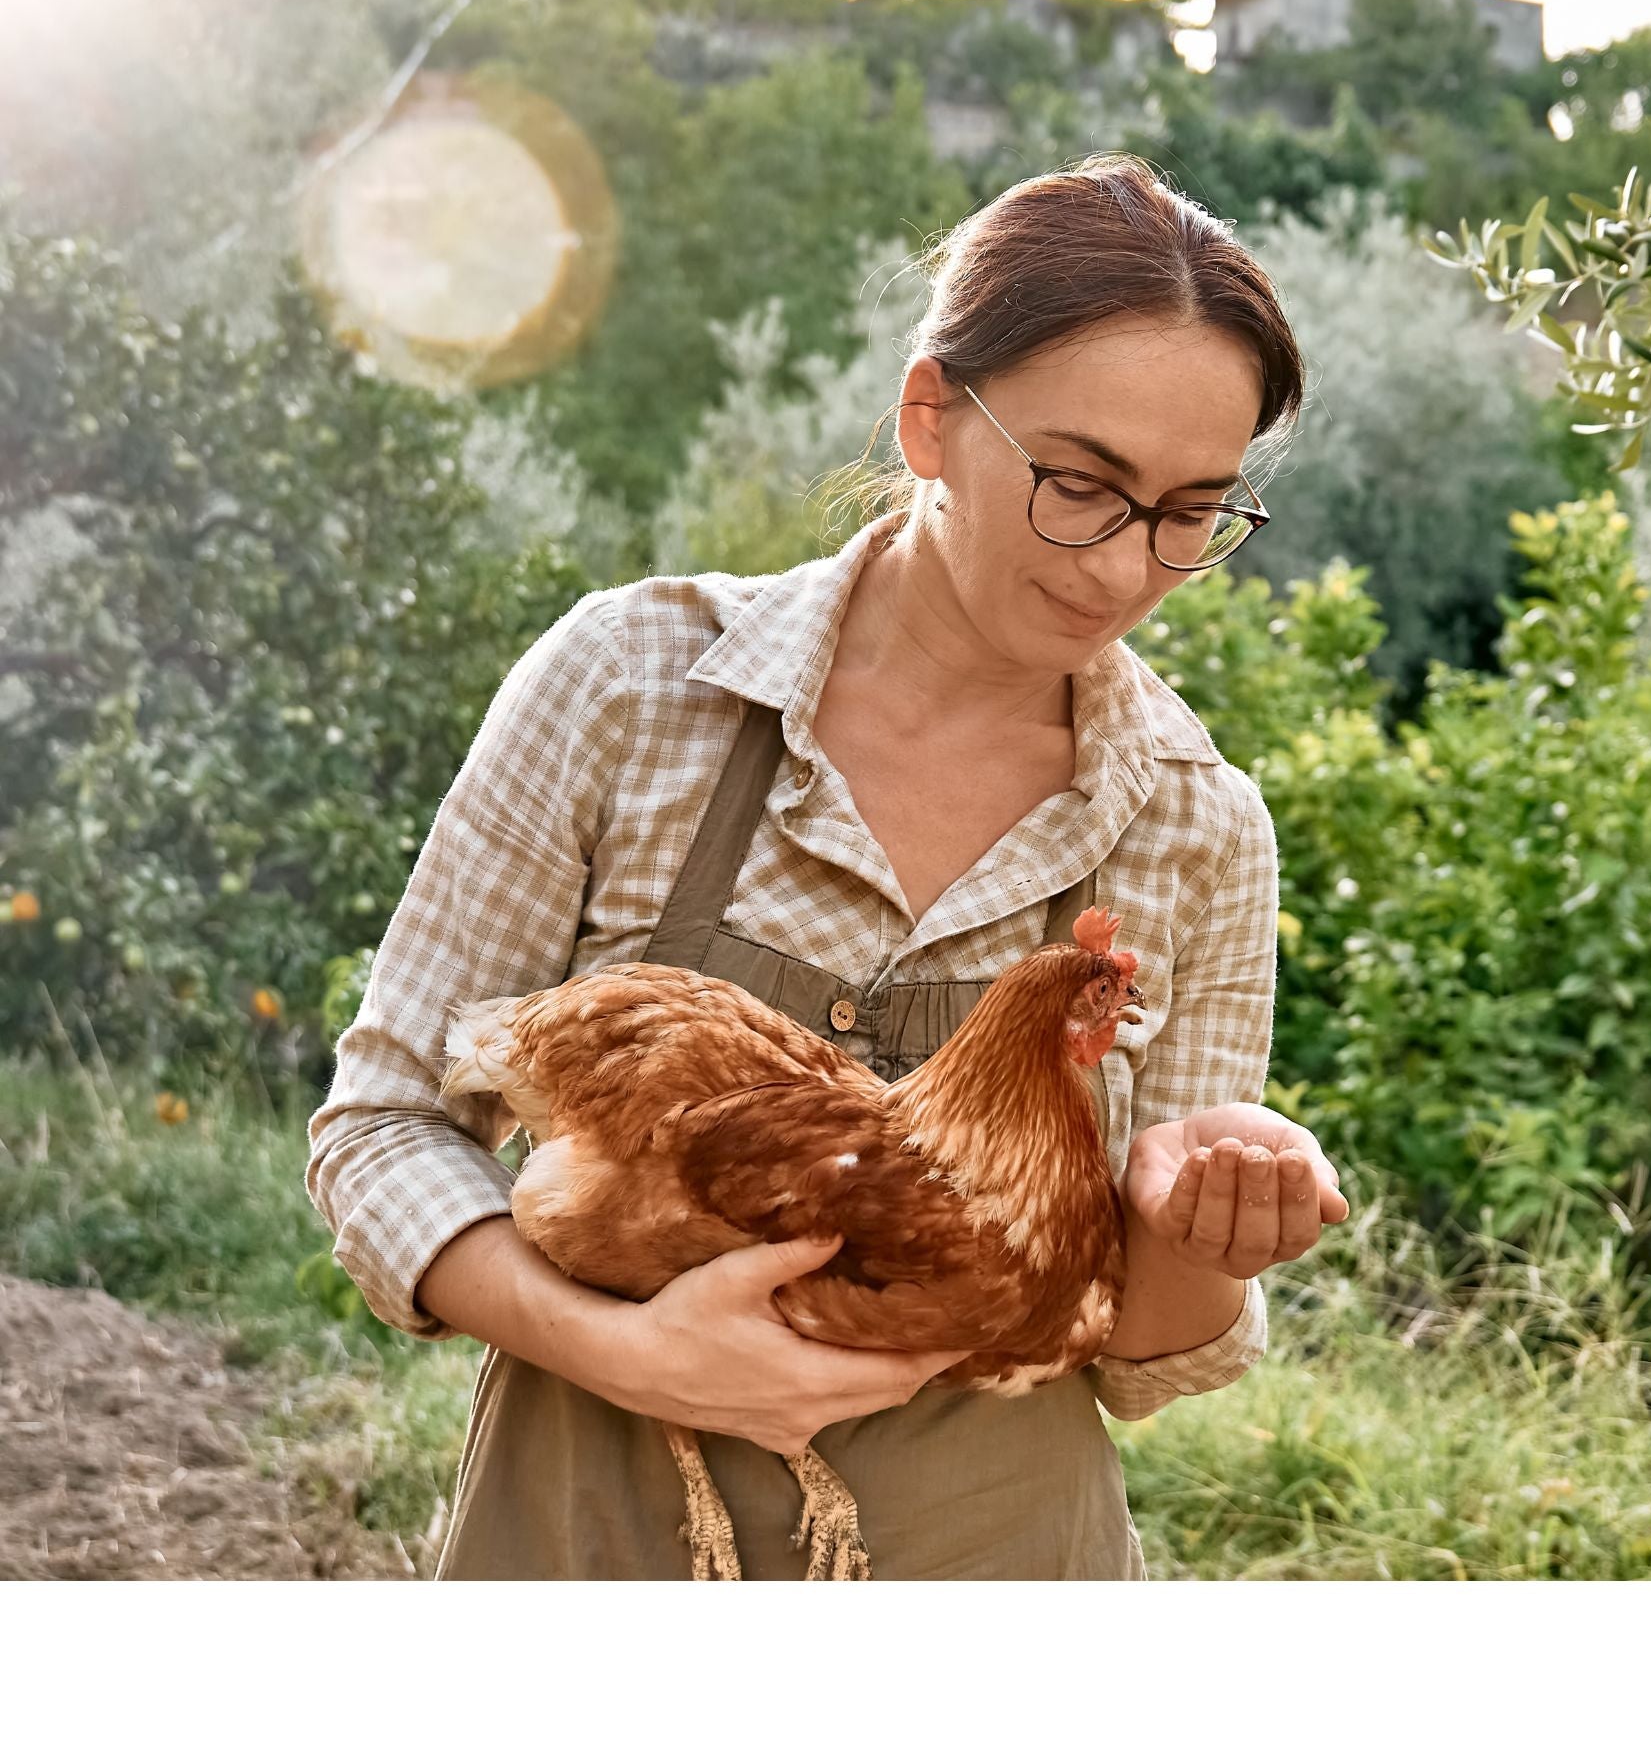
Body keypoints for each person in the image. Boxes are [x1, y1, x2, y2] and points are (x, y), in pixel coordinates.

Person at [304, 150, 1350, 1580]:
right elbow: (383, 1131)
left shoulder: (1195, 823)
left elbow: (1146, 1359)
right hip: (592, 1531)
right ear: (932, 417)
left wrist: (1202, 1228)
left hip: (989, 1556)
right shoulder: (632, 684)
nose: (1123, 569)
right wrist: (624, 1349)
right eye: (1080, 484)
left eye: (1189, 513)